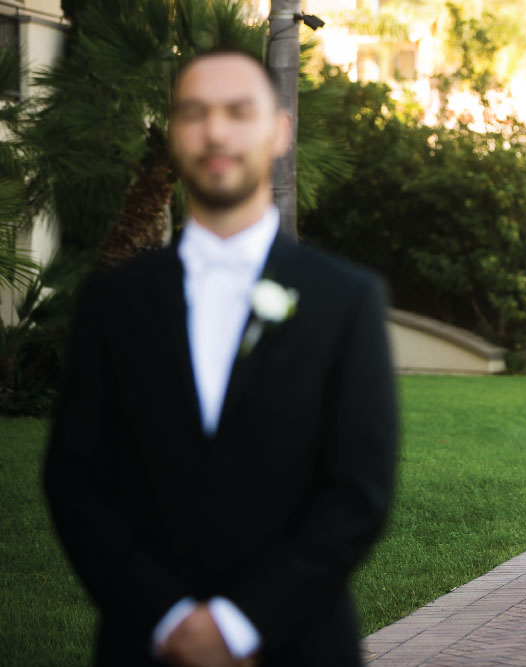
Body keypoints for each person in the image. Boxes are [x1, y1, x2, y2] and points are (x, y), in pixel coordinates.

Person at [42, 49, 398, 666]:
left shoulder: (346, 299)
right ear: (174, 135)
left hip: (300, 645)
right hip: (144, 643)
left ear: (279, 130)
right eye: (194, 113)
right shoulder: (112, 301)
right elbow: (76, 480)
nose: (216, 131)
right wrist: (169, 617)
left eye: (239, 111)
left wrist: (239, 623)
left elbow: (359, 490)